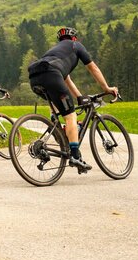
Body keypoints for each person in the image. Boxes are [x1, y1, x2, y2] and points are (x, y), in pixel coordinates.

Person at [27, 27, 118, 172]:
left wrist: (80, 97)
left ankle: (58, 131)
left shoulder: (55, 51)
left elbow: (66, 80)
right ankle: (75, 156)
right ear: (74, 38)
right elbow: (93, 68)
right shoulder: (76, 46)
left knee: (58, 108)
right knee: (70, 116)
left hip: (35, 77)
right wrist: (106, 88)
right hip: (52, 75)